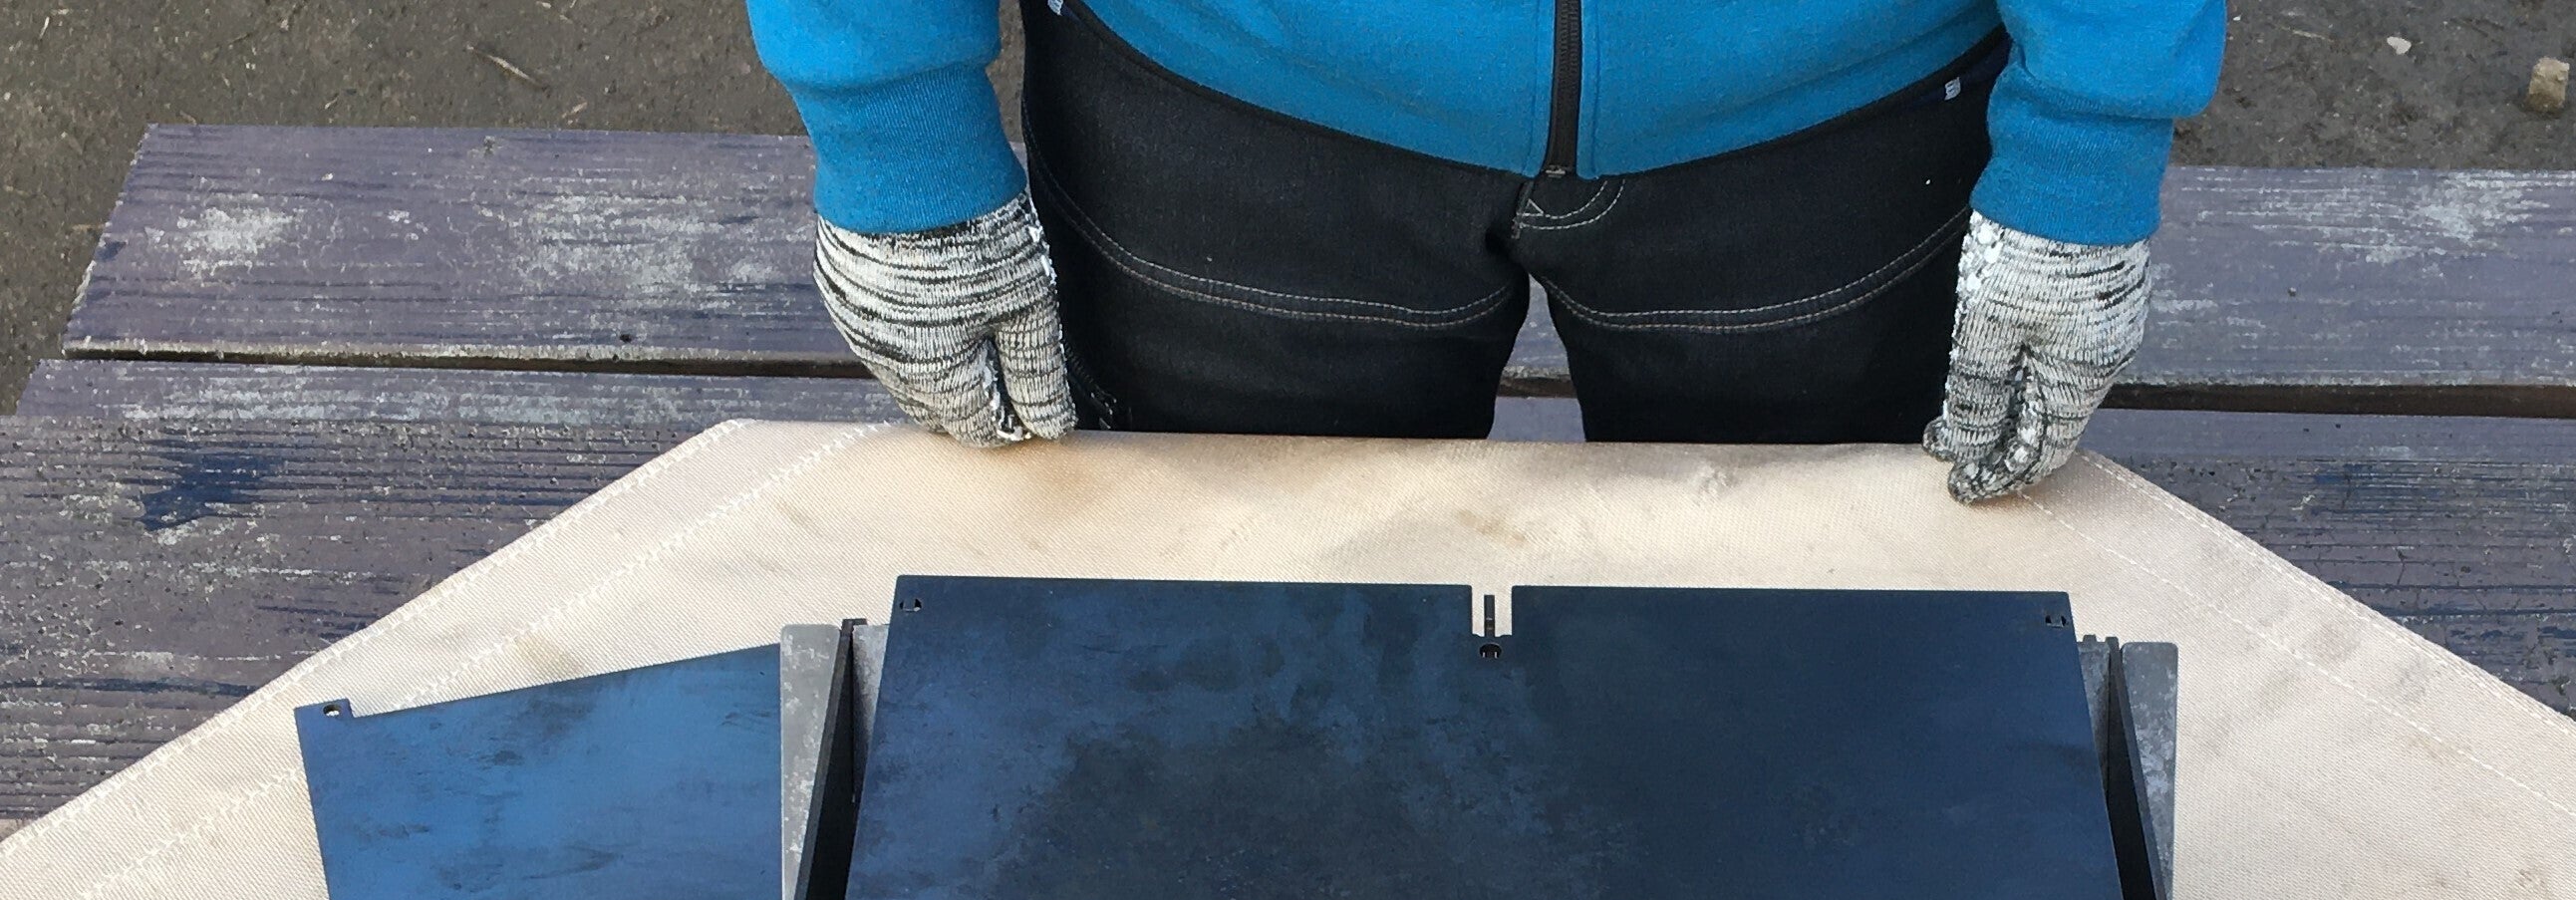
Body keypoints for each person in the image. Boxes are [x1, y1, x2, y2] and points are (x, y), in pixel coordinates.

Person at [748, 0, 2219, 500]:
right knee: (1224, 674)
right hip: (1230, 93)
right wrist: (892, 119)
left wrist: (2087, 141)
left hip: (1833, 110)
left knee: (1822, 690)